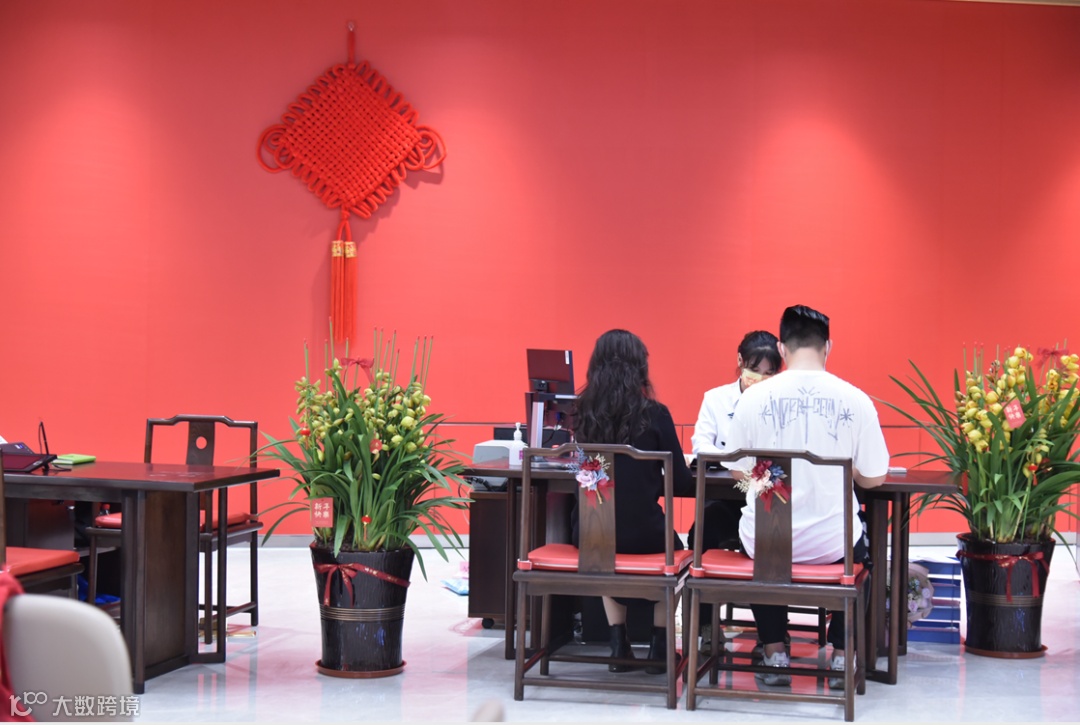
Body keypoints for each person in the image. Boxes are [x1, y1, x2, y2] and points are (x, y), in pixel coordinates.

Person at [724, 305, 888, 689]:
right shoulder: (856, 399)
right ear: (828, 346)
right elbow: (874, 477)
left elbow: (737, 471)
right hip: (834, 545)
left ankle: (774, 652)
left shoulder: (753, 398)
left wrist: (766, 482)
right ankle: (842, 656)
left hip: (767, 543)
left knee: (766, 547)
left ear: (782, 349)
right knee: (864, 552)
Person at [572, 329, 694, 675]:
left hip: (589, 535)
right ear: (639, 367)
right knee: (678, 554)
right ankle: (659, 647)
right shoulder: (655, 414)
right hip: (646, 536)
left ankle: (618, 644)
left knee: (603, 539)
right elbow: (681, 482)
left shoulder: (581, 413)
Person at [689, 330, 781, 650]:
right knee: (702, 530)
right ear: (740, 362)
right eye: (755, 370)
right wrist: (736, 462)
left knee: (772, 543)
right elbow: (701, 445)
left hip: (772, 500)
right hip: (729, 497)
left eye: (770, 372)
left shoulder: (783, 403)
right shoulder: (716, 398)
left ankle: (773, 637)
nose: (762, 378)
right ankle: (705, 627)